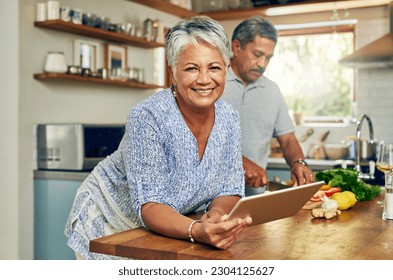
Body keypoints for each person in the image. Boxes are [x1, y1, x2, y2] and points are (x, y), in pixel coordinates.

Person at [64, 16, 252, 260]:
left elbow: (230, 187)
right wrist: (196, 230)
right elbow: (150, 205)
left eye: (214, 67)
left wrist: (215, 215)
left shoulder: (229, 118)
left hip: (170, 227)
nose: (204, 79)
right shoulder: (148, 116)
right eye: (191, 68)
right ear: (173, 72)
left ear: (226, 70)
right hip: (110, 219)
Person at [221, 16, 314, 196]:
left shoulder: (272, 91)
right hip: (210, 199)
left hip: (254, 197)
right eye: (257, 55)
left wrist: (298, 162)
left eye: (268, 58)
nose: (262, 64)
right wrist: (242, 163)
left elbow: (287, 139)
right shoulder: (213, 83)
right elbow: (200, 140)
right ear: (236, 47)